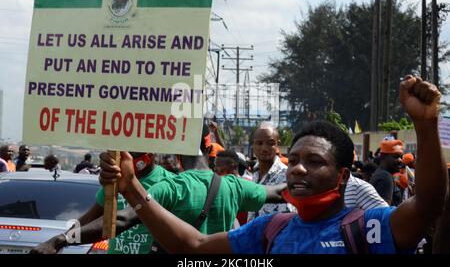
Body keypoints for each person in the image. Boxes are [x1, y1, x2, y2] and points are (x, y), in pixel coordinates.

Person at [97, 75, 448, 254]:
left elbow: (429, 204)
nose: (297, 169)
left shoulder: (368, 226)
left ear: (342, 177)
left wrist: (426, 125)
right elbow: (195, 248)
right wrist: (131, 186)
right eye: (293, 160)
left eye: (314, 162)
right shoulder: (272, 230)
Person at [31, 122, 287, 254]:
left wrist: (59, 240)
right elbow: (277, 192)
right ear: (208, 145)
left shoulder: (170, 187)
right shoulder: (234, 186)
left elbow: (122, 219)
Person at [32, 152, 175, 254]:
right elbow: (90, 218)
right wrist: (57, 243)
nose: (123, 159)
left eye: (129, 156)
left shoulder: (169, 184)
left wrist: (60, 240)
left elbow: (122, 219)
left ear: (148, 156)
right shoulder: (114, 182)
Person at [247, 122, 292, 221]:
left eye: (270, 143)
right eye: (259, 143)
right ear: (253, 145)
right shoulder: (255, 173)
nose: (264, 148)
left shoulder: (286, 176)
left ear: (277, 145)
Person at [370, 139, 404, 206]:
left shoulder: (381, 174)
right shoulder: (385, 177)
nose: (400, 160)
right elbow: (384, 210)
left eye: (401, 157)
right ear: (383, 157)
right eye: (396, 156)